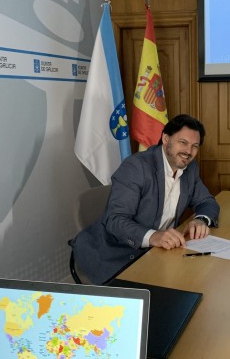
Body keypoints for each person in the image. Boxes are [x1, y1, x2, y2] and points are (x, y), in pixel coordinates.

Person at [71, 114, 220, 285]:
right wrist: (154, 236)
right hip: (115, 252)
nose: (188, 151)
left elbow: (207, 202)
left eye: (195, 146)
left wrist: (200, 220)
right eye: (183, 142)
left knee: (200, 280)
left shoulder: (189, 167)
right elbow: (115, 220)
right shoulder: (136, 167)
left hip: (158, 252)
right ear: (165, 139)